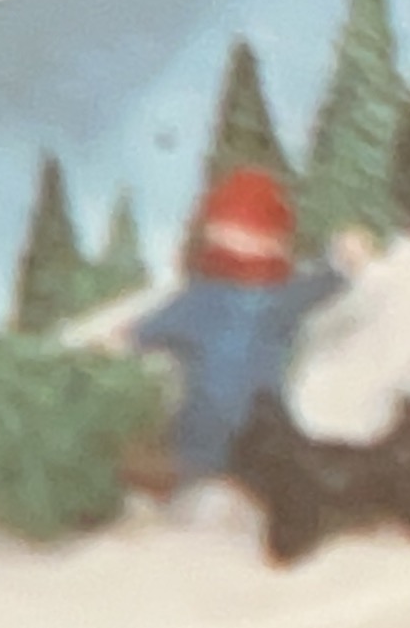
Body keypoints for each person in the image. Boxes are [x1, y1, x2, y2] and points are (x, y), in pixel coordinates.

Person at [126, 167, 374, 495]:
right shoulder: (267, 297)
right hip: (252, 439)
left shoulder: (205, 298)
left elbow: (143, 333)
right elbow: (319, 285)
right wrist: (341, 264)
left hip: (216, 440)